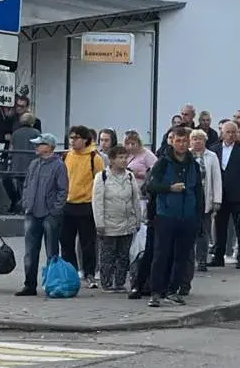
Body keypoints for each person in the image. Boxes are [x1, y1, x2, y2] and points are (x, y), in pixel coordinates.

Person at [145, 127, 204, 306]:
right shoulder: (163, 162)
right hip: (166, 215)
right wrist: (169, 188)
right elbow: (150, 185)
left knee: (182, 255)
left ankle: (174, 289)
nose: (181, 144)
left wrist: (198, 216)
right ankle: (156, 292)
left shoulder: (193, 164)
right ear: (172, 142)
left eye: (185, 141)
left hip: (188, 216)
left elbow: (199, 191)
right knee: (161, 254)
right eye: (178, 141)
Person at [16, 132, 68, 296]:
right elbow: (26, 185)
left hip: (49, 214)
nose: (36, 147)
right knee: (30, 252)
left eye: (39, 144)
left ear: (49, 147)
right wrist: (25, 203)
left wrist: (55, 210)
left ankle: (52, 284)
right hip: (32, 212)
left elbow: (62, 190)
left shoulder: (59, 165)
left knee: (52, 251)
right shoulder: (34, 164)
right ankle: (29, 285)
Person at [92, 144, 141, 291]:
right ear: (112, 160)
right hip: (108, 223)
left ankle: (119, 283)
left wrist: (137, 219)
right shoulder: (102, 177)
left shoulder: (130, 176)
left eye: (125, 157)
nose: (124, 160)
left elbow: (135, 200)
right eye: (120, 157)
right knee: (108, 255)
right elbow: (97, 202)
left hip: (127, 223)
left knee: (123, 255)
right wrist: (99, 223)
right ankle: (106, 283)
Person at [61, 126, 105, 287]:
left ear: (85, 139)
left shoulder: (94, 157)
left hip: (86, 205)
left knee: (88, 243)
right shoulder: (66, 156)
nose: (73, 141)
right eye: (71, 138)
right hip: (67, 204)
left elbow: (100, 182)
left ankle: (90, 273)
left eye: (76, 138)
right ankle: (70, 272)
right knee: (66, 242)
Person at [213, 121, 240, 269]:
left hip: (239, 195)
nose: (231, 135)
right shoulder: (215, 149)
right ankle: (218, 256)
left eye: (234, 132)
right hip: (220, 195)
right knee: (220, 227)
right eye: (228, 132)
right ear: (222, 133)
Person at [187, 128, 222, 272]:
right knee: (188, 232)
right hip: (189, 200)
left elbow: (217, 178)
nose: (197, 142)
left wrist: (217, 199)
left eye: (200, 139)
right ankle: (188, 260)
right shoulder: (186, 155)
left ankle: (201, 260)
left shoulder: (211, 156)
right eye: (194, 139)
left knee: (203, 232)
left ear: (205, 141)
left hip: (205, 200)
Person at [8, 111, 38, 211]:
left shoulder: (15, 134)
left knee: (21, 188)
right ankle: (28, 208)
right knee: (31, 188)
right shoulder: (36, 133)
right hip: (32, 166)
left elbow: (10, 150)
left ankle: (21, 207)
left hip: (17, 166)